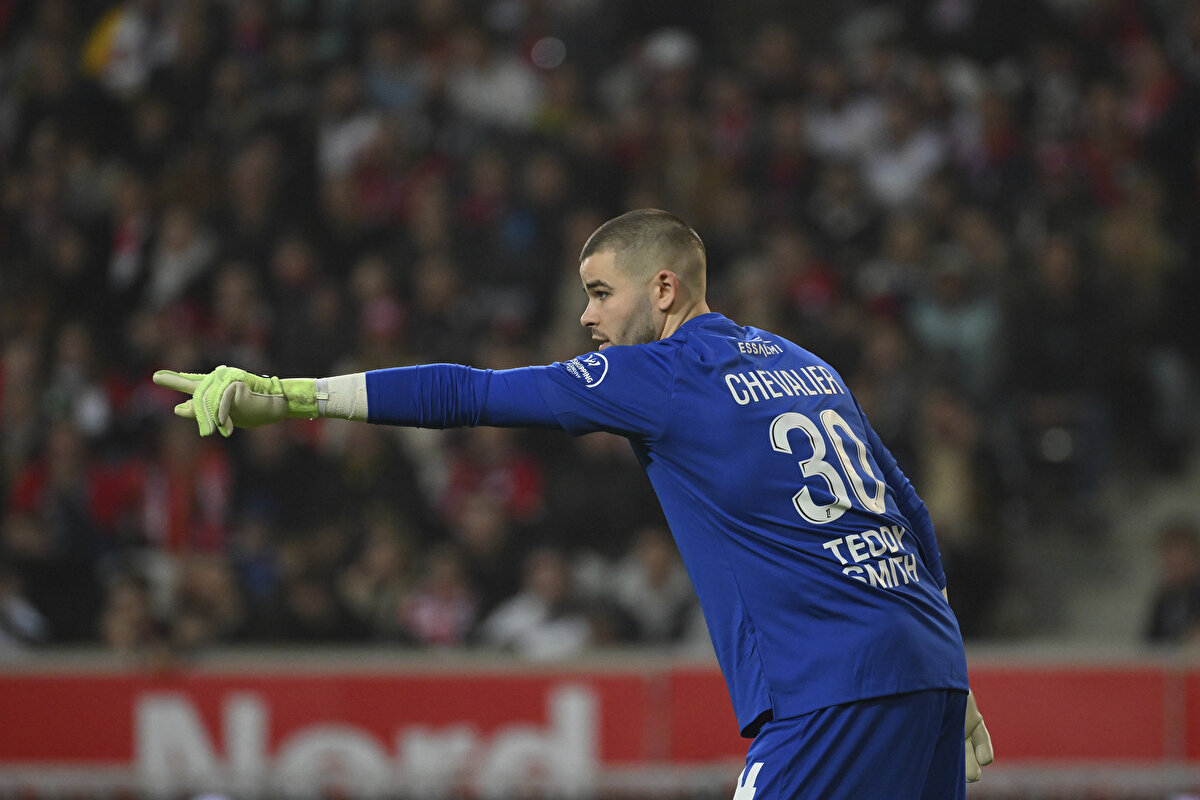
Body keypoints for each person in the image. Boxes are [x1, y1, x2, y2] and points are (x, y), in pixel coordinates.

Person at [154, 209, 992, 798]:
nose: (587, 316)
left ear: (663, 288)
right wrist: (948, 671)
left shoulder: (659, 374)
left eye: (600, 292)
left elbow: (469, 392)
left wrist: (289, 395)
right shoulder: (808, 364)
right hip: (929, 672)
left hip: (829, 690)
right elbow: (907, 510)